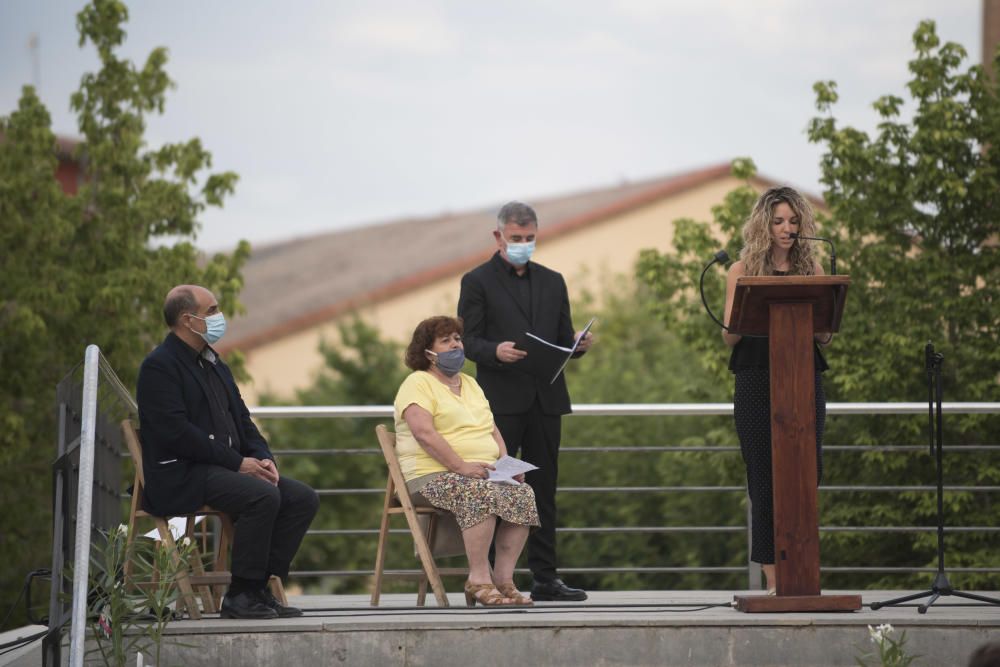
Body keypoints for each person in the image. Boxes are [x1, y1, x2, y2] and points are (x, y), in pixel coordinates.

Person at [136, 284, 319, 619]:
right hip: (184, 474)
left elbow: (244, 422)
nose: (220, 317)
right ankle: (240, 596)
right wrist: (238, 464)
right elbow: (176, 434)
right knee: (262, 497)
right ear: (188, 320)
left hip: (223, 469)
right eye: (212, 311)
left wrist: (264, 459)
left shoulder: (215, 364)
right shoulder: (159, 366)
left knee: (301, 498)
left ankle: (257, 588)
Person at [457, 201, 593, 602]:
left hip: (547, 399)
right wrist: (494, 351)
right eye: (516, 239)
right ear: (498, 237)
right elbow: (466, 341)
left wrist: (577, 345)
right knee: (499, 489)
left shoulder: (554, 281)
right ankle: (495, 580)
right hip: (501, 403)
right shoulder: (476, 280)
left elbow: (562, 336)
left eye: (529, 238)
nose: (523, 244)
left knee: (543, 490)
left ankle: (546, 578)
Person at [722, 186, 832, 594]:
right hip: (755, 375)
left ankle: (802, 570)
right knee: (764, 477)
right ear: (763, 225)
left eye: (793, 221)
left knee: (808, 471)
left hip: (801, 376)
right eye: (779, 221)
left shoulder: (814, 267)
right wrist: (741, 313)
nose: (787, 228)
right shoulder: (742, 269)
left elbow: (824, 336)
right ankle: (774, 579)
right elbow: (730, 339)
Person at [394, 316, 539, 606]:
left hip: (479, 472)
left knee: (522, 493)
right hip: (430, 475)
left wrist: (506, 464)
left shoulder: (470, 384)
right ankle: (478, 580)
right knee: (479, 493)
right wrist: (460, 466)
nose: (455, 345)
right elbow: (424, 432)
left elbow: (491, 428)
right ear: (427, 351)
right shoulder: (417, 383)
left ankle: (503, 581)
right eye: (445, 341)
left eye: (457, 339)